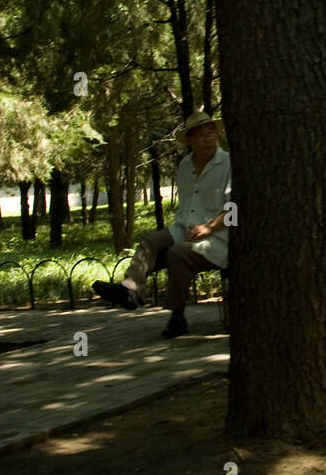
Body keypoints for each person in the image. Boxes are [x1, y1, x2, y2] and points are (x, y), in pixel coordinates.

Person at [93, 111, 231, 339]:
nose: (207, 139)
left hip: (217, 237)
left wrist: (208, 228)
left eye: (210, 134)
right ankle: (130, 289)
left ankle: (177, 316)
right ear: (190, 141)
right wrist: (185, 228)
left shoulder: (227, 163)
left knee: (177, 253)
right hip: (183, 229)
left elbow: (234, 209)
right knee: (150, 240)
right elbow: (188, 204)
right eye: (200, 135)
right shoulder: (185, 165)